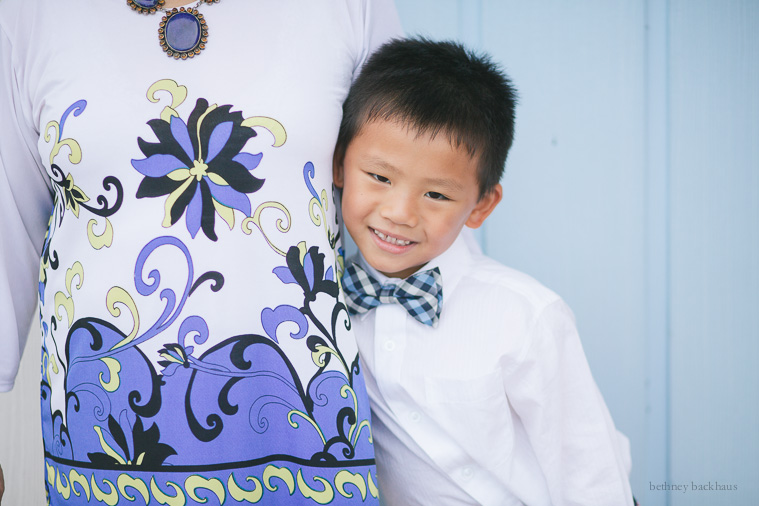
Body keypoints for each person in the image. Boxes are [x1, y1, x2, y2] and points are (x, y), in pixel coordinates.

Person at [0, 0, 401, 504]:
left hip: (309, 434)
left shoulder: (351, 6)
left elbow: (409, 184)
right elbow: (6, 222)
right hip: (108, 437)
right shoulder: (30, 12)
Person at [334, 38, 635, 505]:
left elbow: (589, 470)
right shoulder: (320, 303)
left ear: (481, 205)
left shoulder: (524, 315)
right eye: (380, 177)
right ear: (338, 166)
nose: (399, 213)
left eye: (436, 195)